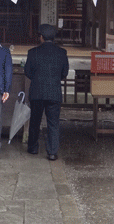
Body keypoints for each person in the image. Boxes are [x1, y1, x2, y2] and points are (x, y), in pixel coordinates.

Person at [24, 23, 69, 161]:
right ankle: (52, 152)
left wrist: (37, 79)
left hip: (37, 91)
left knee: (35, 121)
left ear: (41, 37)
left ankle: (33, 147)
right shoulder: (62, 53)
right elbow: (64, 73)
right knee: (53, 123)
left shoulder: (33, 52)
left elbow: (28, 72)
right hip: (54, 91)